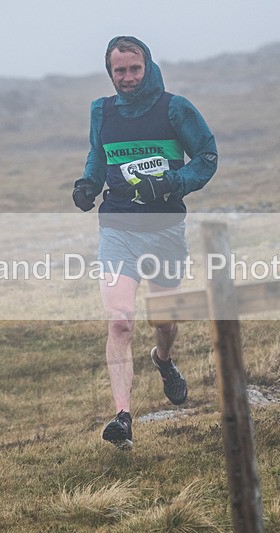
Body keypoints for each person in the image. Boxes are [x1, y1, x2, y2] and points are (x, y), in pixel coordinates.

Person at [72, 36, 218, 449]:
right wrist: (88, 184)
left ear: (147, 65)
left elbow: (207, 156)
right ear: (110, 72)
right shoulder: (101, 111)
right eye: (119, 70)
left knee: (163, 322)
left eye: (134, 68)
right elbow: (97, 157)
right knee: (119, 320)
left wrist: (172, 183)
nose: (127, 77)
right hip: (117, 227)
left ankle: (164, 360)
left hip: (165, 229)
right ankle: (123, 418)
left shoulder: (175, 108)